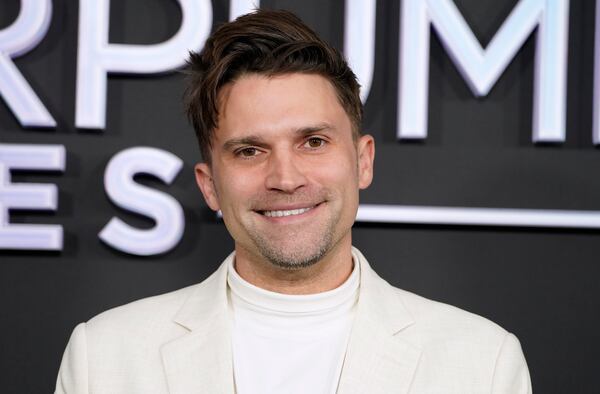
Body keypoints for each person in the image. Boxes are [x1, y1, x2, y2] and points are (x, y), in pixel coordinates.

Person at [55, 9, 532, 394]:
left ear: (363, 162)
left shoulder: (481, 362)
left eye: (313, 142)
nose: (285, 178)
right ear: (209, 186)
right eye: (249, 151)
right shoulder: (104, 357)